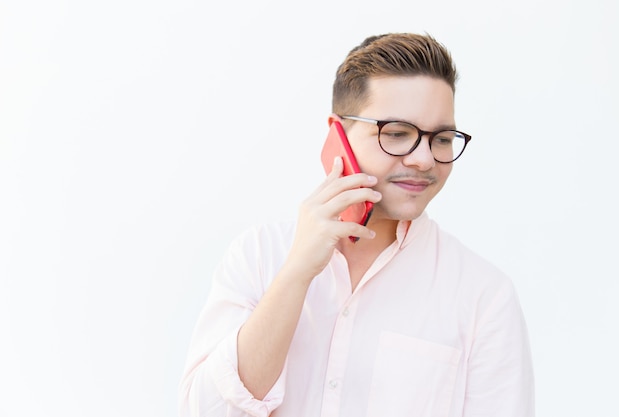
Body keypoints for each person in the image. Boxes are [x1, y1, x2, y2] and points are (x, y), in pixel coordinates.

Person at [178, 32, 535, 417]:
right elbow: (205, 411)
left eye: (442, 138)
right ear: (338, 133)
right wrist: (296, 273)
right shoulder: (260, 255)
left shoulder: (484, 296)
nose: (424, 159)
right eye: (397, 134)